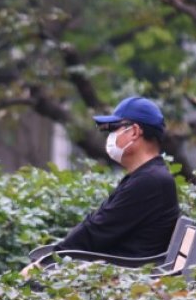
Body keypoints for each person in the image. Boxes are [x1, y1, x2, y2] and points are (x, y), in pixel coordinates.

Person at [26, 96, 181, 272]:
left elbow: (96, 231)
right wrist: (54, 256)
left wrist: (45, 264)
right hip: (121, 274)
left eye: (114, 129)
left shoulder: (151, 181)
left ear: (135, 132)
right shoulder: (147, 176)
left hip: (126, 280)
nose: (110, 137)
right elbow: (99, 226)